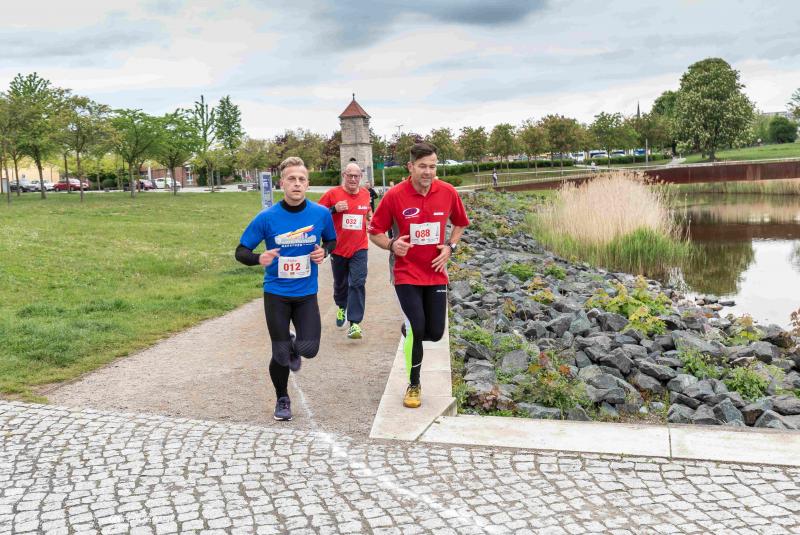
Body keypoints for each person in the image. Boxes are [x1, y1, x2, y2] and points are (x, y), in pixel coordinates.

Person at [368, 143, 469, 409]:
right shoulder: (395, 195)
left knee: (434, 332)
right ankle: (414, 384)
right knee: (417, 327)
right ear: (410, 167)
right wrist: (392, 244)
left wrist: (450, 247)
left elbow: (460, 223)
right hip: (406, 273)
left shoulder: (447, 192)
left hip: (435, 272)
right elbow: (375, 232)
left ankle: (411, 331)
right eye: (422, 166)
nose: (428, 172)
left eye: (432, 166)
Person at [235, 156, 336, 421]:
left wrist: (324, 252)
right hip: (276, 294)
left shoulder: (321, 214)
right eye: (291, 179)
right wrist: (259, 258)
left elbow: (331, 241)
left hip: (306, 294)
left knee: (309, 349)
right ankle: (282, 398)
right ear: (282, 184)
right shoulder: (267, 218)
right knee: (280, 354)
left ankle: (293, 343)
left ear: (308, 184)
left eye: (302, 179)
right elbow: (241, 251)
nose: (297, 183)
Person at [318, 163, 372, 339]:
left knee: (357, 282)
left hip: (360, 247)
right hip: (338, 248)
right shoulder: (332, 194)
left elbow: (367, 212)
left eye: (357, 176)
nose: (353, 179)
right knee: (340, 283)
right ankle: (342, 306)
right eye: (350, 175)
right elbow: (316, 216)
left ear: (360, 177)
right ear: (344, 175)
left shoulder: (365, 194)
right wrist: (334, 209)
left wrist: (370, 220)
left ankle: (355, 323)